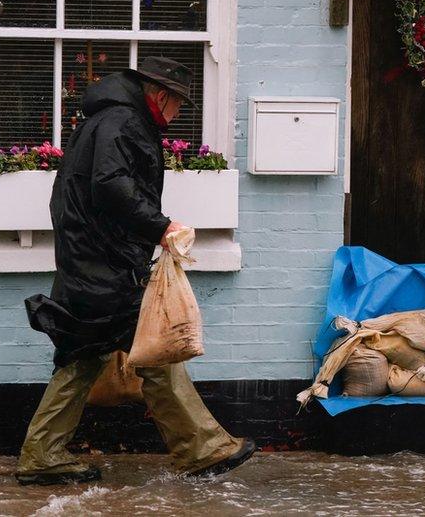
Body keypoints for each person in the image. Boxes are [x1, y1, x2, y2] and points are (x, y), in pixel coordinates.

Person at [16, 57, 255, 486]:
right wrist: (160, 227)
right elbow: (110, 185)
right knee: (155, 348)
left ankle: (42, 453)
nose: (178, 114)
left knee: (82, 354)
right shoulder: (124, 122)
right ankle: (202, 447)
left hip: (88, 258)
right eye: (179, 105)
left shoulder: (107, 120)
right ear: (161, 97)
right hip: (105, 263)